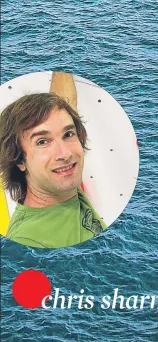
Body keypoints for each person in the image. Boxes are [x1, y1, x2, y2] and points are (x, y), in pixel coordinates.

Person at [0, 92, 106, 248]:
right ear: (19, 160)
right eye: (42, 142)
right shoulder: (28, 241)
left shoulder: (63, 187)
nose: (65, 154)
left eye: (68, 134)